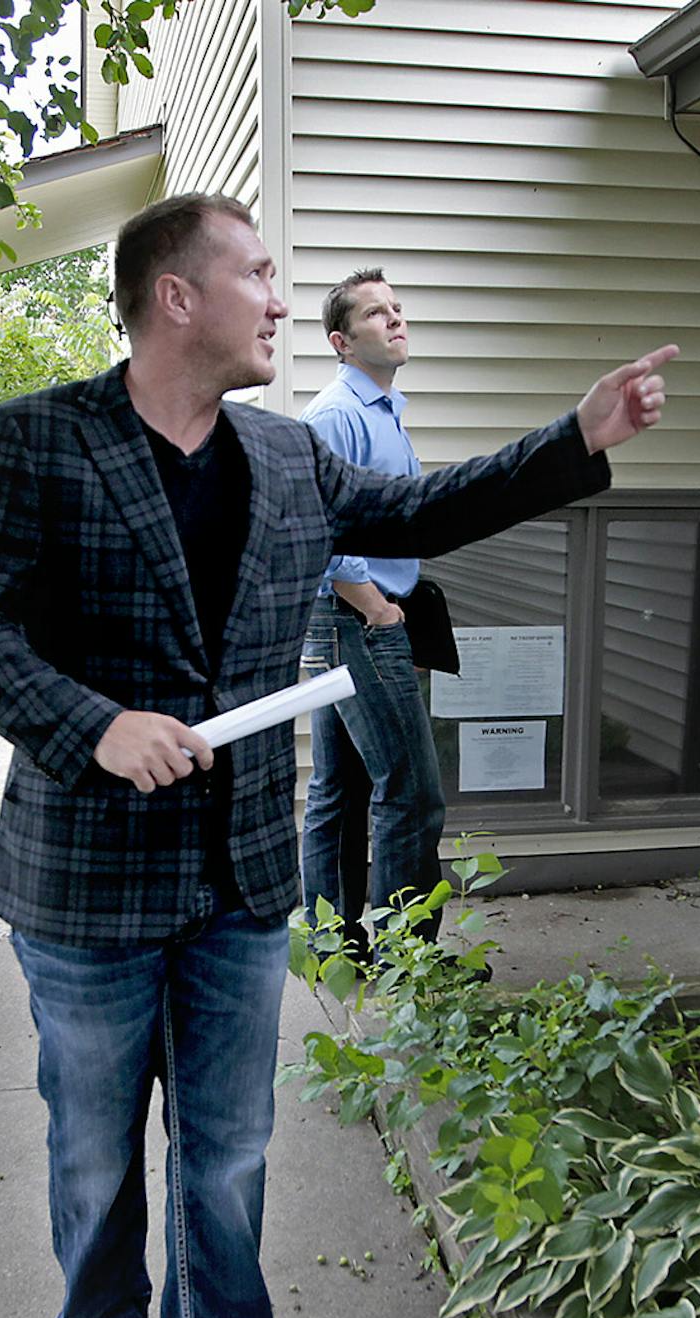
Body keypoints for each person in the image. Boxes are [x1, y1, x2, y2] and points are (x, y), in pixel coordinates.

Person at [0, 191, 674, 1318]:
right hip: (87, 880)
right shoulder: (35, 440)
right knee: (95, 1135)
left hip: (241, 875)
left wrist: (576, 439)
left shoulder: (286, 457)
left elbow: (421, 508)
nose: (280, 299)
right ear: (176, 296)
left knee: (227, 1151)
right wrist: (94, 725)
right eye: (259, 274)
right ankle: (105, 1312)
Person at [298, 268, 442, 949]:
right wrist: (378, 609)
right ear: (342, 341)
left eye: (398, 308)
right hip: (354, 619)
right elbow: (318, 529)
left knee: (341, 788)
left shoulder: (383, 411)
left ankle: (332, 941)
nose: (396, 319)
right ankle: (407, 958)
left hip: (352, 618)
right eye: (376, 313)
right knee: (410, 791)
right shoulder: (337, 416)